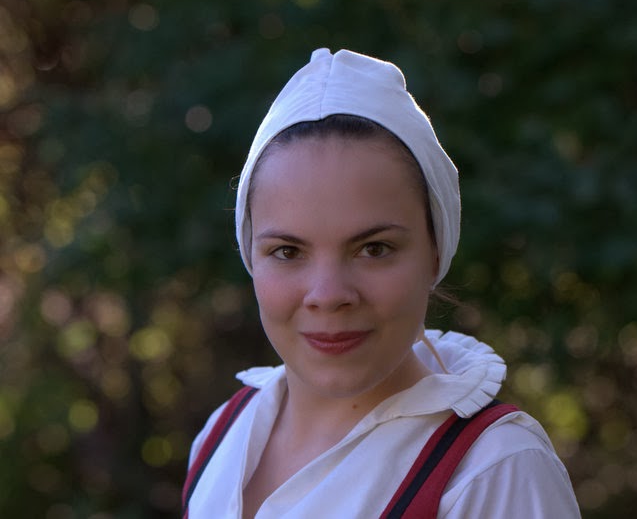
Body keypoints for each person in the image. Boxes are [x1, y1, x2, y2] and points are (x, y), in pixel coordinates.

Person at [184, 48, 581, 518]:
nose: (329, 295)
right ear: (250, 255)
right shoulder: (223, 434)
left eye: (374, 249)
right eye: (287, 251)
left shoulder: (492, 473)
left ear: (437, 251)